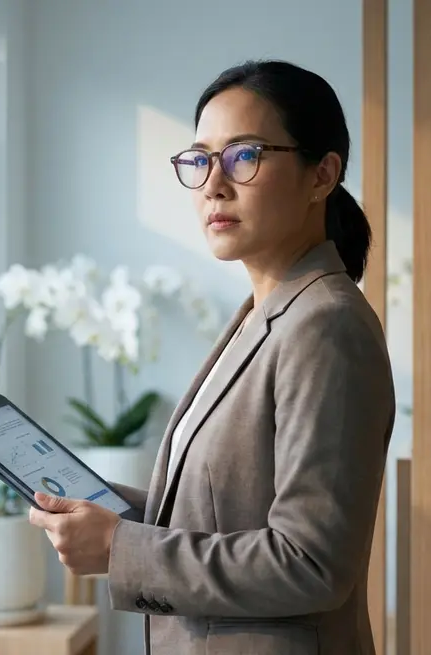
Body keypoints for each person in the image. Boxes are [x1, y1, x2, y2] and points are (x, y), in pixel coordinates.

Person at [27, 59, 396, 655]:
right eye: (200, 160)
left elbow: (310, 563)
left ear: (322, 174)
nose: (214, 185)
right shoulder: (264, 315)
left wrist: (122, 549)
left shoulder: (325, 325)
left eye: (244, 155)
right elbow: (231, 511)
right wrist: (117, 514)